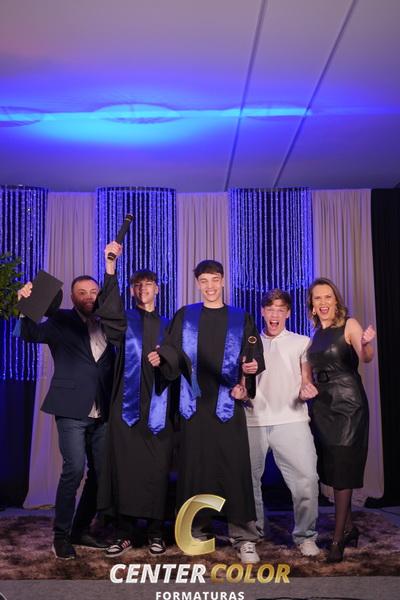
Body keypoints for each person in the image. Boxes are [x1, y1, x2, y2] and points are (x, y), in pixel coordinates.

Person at [158, 259, 265, 564]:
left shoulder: (240, 317)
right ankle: (197, 532)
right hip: (193, 407)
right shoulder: (185, 316)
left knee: (234, 470)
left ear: (223, 281)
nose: (210, 286)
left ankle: (244, 537)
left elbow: (252, 357)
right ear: (197, 284)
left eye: (214, 279)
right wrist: (160, 357)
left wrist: (246, 380)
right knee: (196, 469)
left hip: (227, 405)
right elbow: (171, 353)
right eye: (204, 281)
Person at [17, 276, 115, 560]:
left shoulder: (110, 322)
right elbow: (29, 335)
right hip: (71, 409)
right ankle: (60, 537)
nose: (89, 296)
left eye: (93, 291)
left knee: (101, 473)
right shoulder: (60, 320)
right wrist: (25, 306)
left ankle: (79, 530)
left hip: (103, 410)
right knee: (74, 469)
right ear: (72, 297)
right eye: (82, 292)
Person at [95, 241, 177, 557]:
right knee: (125, 469)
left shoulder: (170, 325)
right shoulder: (125, 320)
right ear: (132, 291)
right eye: (138, 285)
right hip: (126, 407)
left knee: (157, 469)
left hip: (159, 407)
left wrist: (165, 358)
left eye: (148, 284)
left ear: (157, 289)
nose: (144, 289)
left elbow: (182, 361)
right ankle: (124, 532)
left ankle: (156, 532)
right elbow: (107, 311)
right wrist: (111, 267)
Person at [245, 289, 320, 557]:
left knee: (307, 479)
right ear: (262, 312)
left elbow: (306, 379)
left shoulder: (302, 342)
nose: (274, 314)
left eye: (280, 309)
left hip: (292, 418)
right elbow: (241, 381)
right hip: (253, 420)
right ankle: (252, 534)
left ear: (287, 313)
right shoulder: (250, 343)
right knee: (247, 482)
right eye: (270, 309)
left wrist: (306, 390)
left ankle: (305, 536)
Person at [306, 277, 376, 563]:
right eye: (317, 298)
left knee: (343, 468)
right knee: (332, 468)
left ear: (336, 300)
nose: (323, 302)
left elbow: (366, 357)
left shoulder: (350, 325)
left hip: (348, 404)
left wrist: (367, 344)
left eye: (328, 297)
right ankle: (349, 529)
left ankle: (337, 541)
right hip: (322, 406)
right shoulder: (315, 335)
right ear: (312, 305)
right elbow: (309, 373)